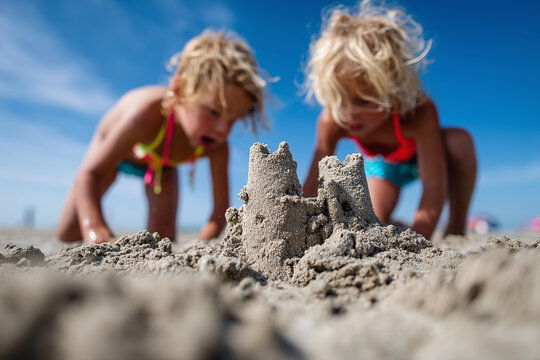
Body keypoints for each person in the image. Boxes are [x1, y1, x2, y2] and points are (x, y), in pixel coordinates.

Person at [57, 30, 267, 244]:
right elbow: (90, 174)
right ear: (179, 91)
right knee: (69, 232)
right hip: (113, 157)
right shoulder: (145, 114)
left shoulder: (217, 146)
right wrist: (95, 228)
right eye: (213, 112)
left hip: (161, 165)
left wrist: (199, 248)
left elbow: (220, 210)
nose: (223, 129)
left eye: (233, 120)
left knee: (163, 239)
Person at [302, 1, 476, 239]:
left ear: (393, 90)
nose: (349, 113)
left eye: (364, 101)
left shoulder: (418, 111)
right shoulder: (332, 120)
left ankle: (456, 227)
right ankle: (395, 225)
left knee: (460, 141)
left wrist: (419, 239)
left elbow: (433, 187)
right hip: (385, 167)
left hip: (429, 158)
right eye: (339, 99)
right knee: (373, 220)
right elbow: (311, 185)